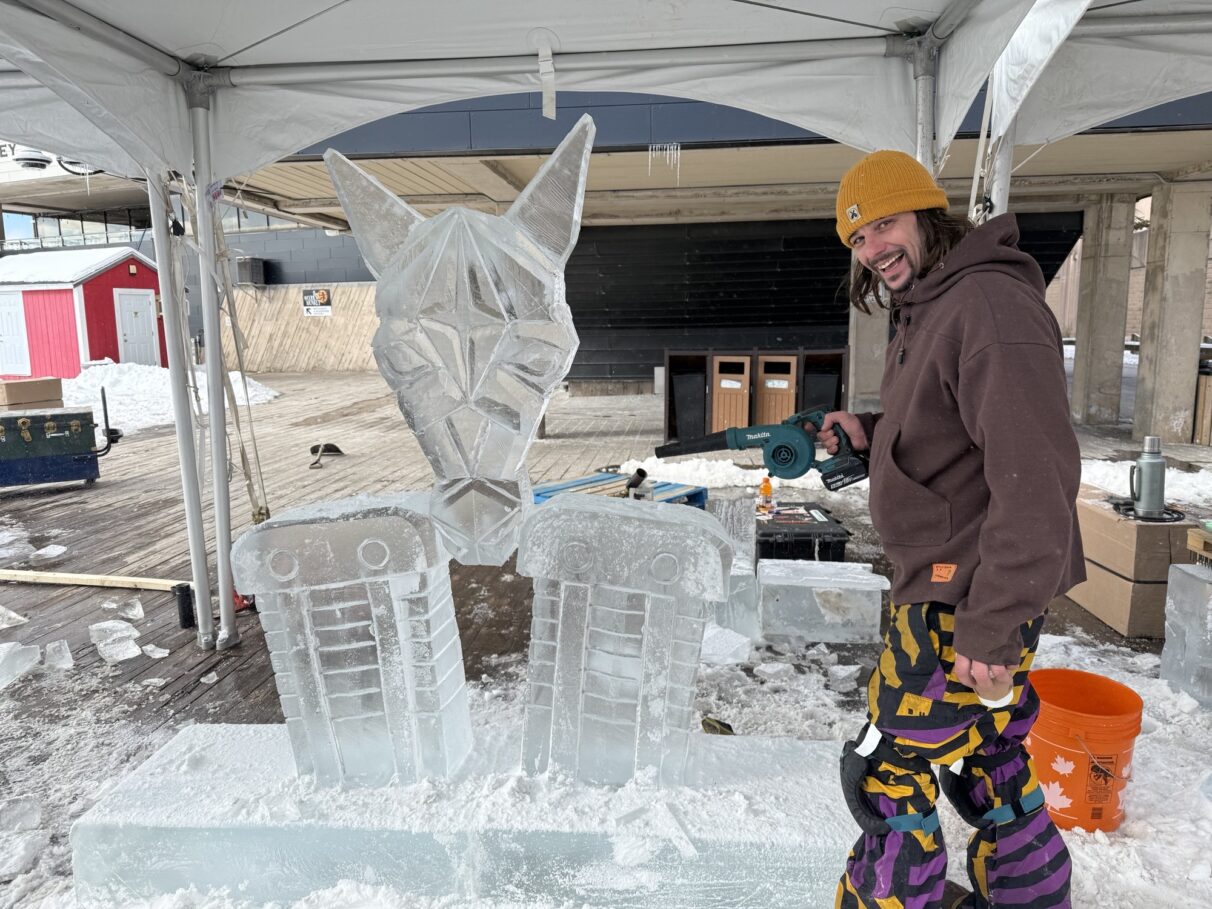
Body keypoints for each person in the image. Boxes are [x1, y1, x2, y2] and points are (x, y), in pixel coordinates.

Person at [821, 150, 1084, 909]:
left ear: (929, 216)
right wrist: (873, 432)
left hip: (964, 600)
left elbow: (1036, 480)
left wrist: (992, 627)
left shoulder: (987, 308)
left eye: (887, 225)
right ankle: (1033, 897)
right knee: (989, 755)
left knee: (885, 768)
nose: (874, 251)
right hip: (955, 589)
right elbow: (954, 426)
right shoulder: (938, 300)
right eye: (859, 240)